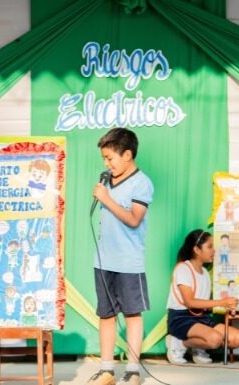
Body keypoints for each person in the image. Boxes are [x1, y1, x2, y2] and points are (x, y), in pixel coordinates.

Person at [87, 127, 153, 385]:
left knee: (132, 314)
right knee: (106, 314)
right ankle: (106, 370)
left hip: (129, 261)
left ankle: (133, 370)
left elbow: (135, 219)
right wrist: (105, 193)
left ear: (127, 155)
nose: (106, 163)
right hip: (103, 260)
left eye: (110, 158)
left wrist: (107, 199)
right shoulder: (106, 180)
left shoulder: (142, 183)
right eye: (104, 158)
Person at [166, 229, 239, 365]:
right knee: (215, 339)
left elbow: (204, 304)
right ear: (197, 249)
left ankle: (198, 345)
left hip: (201, 318)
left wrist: (229, 303)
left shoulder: (205, 273)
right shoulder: (183, 268)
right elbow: (190, 302)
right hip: (181, 318)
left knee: (238, 338)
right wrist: (222, 302)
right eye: (209, 247)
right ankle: (179, 342)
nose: (214, 251)